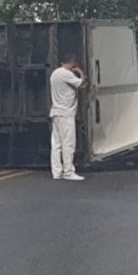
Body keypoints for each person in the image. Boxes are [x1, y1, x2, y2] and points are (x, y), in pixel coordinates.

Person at [49, 52, 87, 181]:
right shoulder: (66, 73)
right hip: (66, 113)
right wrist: (80, 72)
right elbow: (81, 84)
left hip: (55, 111)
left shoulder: (54, 73)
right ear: (72, 62)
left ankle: (56, 171)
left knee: (56, 144)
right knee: (68, 144)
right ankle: (68, 171)